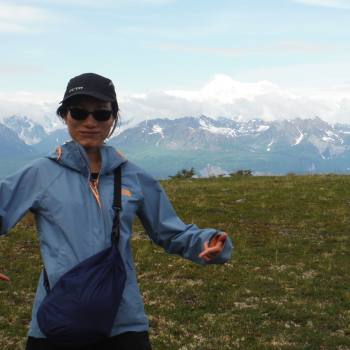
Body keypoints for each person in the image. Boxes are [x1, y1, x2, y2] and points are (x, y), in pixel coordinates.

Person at [0, 73, 233, 350]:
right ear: (64, 116)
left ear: (113, 118)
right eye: (78, 112)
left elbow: (171, 232)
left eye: (101, 114)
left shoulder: (133, 176)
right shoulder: (41, 173)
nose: (90, 122)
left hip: (123, 321)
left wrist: (208, 242)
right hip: (59, 317)